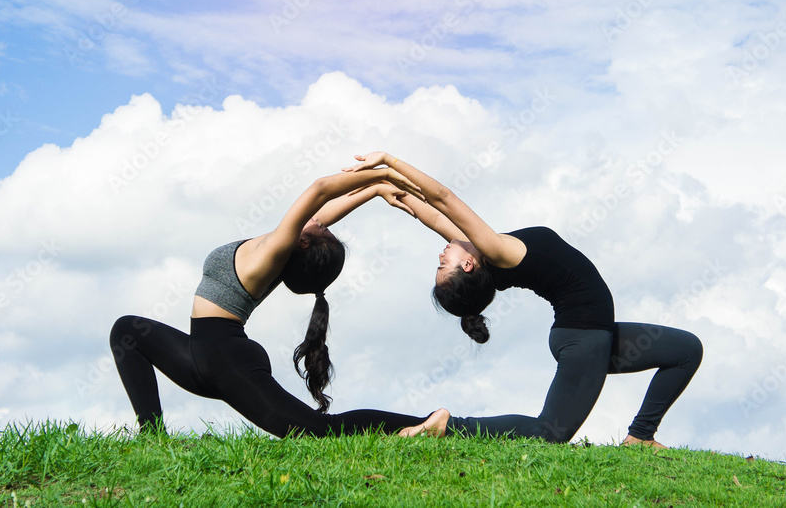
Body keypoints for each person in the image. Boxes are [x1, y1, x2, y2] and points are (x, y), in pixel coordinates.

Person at [345, 151, 703, 448]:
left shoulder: (483, 253)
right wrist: (388, 161)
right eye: (443, 264)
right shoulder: (494, 249)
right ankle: (451, 426)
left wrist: (381, 187)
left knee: (686, 350)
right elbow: (444, 199)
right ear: (468, 265)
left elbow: (433, 215)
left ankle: (640, 436)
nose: (441, 254)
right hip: (582, 337)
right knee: (550, 433)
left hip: (594, 335)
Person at [110, 167, 431, 438]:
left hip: (225, 360)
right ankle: (151, 436)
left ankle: (423, 425)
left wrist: (386, 171)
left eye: (322, 229)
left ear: (302, 241)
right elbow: (323, 212)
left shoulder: (275, 252)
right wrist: (374, 189)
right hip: (202, 354)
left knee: (320, 430)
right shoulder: (285, 252)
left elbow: (320, 191)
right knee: (127, 331)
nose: (321, 222)